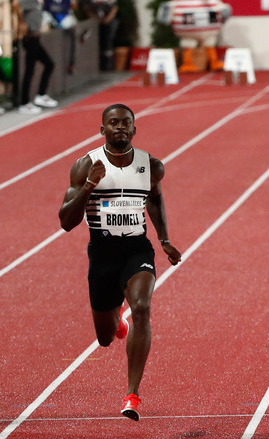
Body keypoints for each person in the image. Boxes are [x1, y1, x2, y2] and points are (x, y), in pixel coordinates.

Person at [58, 103, 182, 421]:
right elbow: (66, 222)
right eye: (113, 123)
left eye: (126, 123)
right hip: (102, 254)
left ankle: (132, 394)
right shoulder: (85, 165)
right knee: (104, 337)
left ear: (134, 129)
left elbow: (154, 199)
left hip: (137, 250)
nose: (120, 128)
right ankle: (117, 325)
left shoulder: (150, 165)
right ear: (103, 130)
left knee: (141, 307)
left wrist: (164, 239)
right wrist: (88, 186)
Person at [16, 0, 58, 115]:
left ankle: (41, 95)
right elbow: (16, 5)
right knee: (30, 70)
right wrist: (22, 22)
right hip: (31, 38)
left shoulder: (38, 0)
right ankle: (24, 103)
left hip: (36, 38)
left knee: (49, 64)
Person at [84, 0, 119, 71]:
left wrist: (108, 18)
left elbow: (114, 7)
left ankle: (108, 65)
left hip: (108, 21)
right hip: (96, 21)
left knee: (108, 41)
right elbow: (88, 9)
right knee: (97, 42)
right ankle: (97, 65)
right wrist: (95, 18)